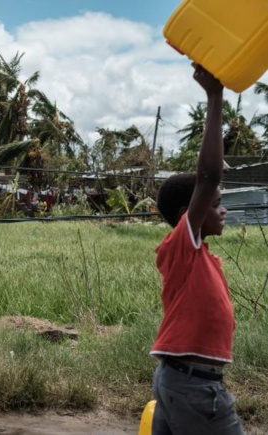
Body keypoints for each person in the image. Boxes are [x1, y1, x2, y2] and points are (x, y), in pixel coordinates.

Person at [150, 65, 243, 434]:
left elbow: (210, 175)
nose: (223, 210)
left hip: (184, 380)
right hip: (195, 387)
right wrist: (215, 96)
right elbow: (208, 177)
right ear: (188, 214)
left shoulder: (201, 255)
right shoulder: (181, 247)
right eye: (215, 203)